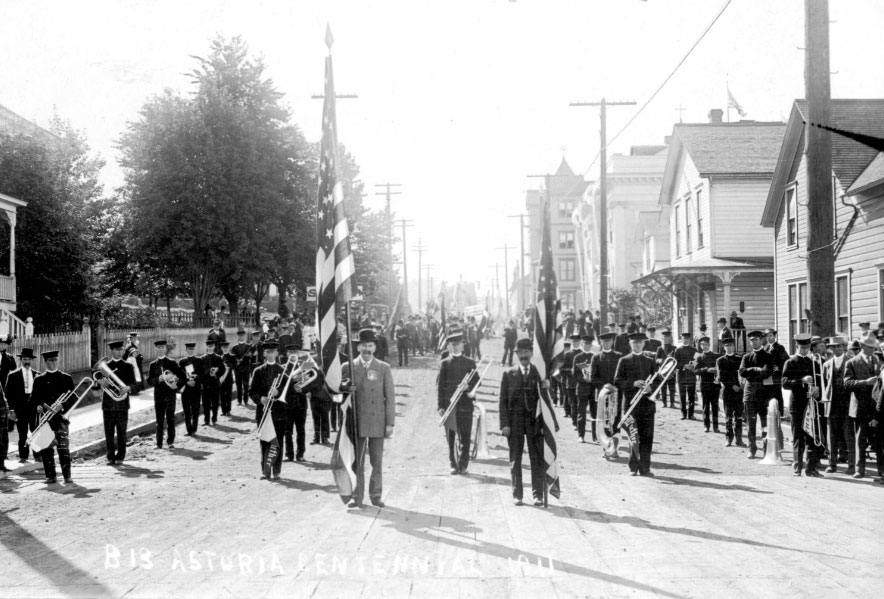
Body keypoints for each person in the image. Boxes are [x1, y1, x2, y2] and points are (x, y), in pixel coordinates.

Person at [341, 328, 396, 508]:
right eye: (363, 345)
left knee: (376, 462)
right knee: (357, 462)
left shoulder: (383, 368)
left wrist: (389, 423)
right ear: (358, 347)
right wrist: (344, 389)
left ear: (374, 348)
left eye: (370, 346)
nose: (367, 349)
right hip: (356, 422)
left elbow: (390, 397)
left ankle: (376, 495)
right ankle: (357, 496)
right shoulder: (347, 367)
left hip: (377, 422)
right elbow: (335, 397)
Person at [499, 338, 546, 506]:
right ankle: (517, 494)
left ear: (531, 353)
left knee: (537, 459)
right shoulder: (508, 374)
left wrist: (548, 387)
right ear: (517, 354)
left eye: (526, 352)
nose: (524, 355)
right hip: (515, 423)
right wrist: (504, 424)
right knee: (515, 459)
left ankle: (537, 495)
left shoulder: (540, 373)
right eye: (520, 352)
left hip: (535, 423)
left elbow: (549, 401)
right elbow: (502, 401)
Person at [29, 350, 76, 483]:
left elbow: (73, 398)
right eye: (51, 360)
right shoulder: (39, 379)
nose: (54, 363)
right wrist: (37, 406)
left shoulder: (66, 378)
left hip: (61, 419)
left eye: (55, 360)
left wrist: (63, 405)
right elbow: (34, 399)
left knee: (63, 448)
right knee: (46, 449)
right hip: (45, 419)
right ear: (45, 362)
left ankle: (67, 476)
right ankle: (50, 476)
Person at [614, 333, 658, 476]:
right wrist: (633, 383)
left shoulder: (650, 361)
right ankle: (633, 467)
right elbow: (617, 381)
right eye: (634, 343)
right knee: (633, 437)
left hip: (647, 404)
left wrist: (651, 388)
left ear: (644, 344)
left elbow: (658, 380)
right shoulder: (624, 360)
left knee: (647, 436)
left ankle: (645, 467)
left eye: (640, 342)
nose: (637, 345)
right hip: (631, 405)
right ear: (630, 344)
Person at [437, 330, 479, 474]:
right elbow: (440, 387)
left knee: (465, 436)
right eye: (452, 345)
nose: (455, 347)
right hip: (450, 406)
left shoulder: (470, 362)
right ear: (449, 346)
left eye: (457, 344)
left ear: (463, 345)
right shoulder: (444, 363)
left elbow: (478, 381)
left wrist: (469, 386)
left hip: (465, 405)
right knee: (451, 436)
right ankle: (453, 464)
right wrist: (440, 406)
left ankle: (463, 464)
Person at [782, 334, 822, 477]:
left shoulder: (814, 363)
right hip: (797, 404)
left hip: (811, 404)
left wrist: (818, 389)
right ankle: (797, 467)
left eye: (807, 347)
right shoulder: (791, 362)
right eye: (802, 347)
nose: (804, 350)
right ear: (797, 346)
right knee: (798, 436)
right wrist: (801, 380)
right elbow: (785, 383)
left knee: (812, 436)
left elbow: (820, 382)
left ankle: (811, 468)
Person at [844, 336, 882, 480]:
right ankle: (860, 469)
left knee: (878, 441)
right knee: (861, 439)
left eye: (874, 348)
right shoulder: (852, 362)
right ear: (862, 346)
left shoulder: (877, 360)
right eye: (869, 347)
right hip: (860, 406)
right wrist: (865, 382)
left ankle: (881, 470)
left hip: (876, 406)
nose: (872, 350)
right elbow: (847, 383)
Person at [250, 341, 286, 479]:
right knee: (265, 441)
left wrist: (279, 391)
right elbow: (251, 391)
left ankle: (276, 471)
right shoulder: (258, 371)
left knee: (278, 441)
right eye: (268, 352)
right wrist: (260, 399)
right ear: (264, 354)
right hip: (263, 411)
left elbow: (288, 391)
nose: (270, 354)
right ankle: (266, 471)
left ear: (277, 353)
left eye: (273, 352)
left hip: (279, 411)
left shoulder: (283, 370)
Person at [738, 330, 773, 459]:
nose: (754, 342)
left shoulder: (767, 356)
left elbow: (767, 373)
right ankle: (752, 449)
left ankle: (766, 450)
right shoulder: (746, 357)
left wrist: (751, 372)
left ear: (761, 340)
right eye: (751, 340)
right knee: (750, 424)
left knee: (765, 424)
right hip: (749, 395)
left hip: (764, 395)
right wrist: (756, 369)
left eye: (756, 340)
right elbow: (742, 372)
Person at [101, 341, 136, 465]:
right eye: (116, 350)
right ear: (112, 351)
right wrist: (101, 384)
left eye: (121, 350)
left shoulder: (128, 366)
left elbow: (135, 384)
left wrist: (128, 388)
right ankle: (110, 457)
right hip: (108, 405)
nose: (119, 352)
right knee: (109, 432)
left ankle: (121, 456)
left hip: (122, 404)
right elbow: (95, 385)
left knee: (122, 432)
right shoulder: (104, 366)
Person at [147, 340, 185, 449]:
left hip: (170, 395)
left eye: (162, 347)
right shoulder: (152, 364)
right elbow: (149, 381)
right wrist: (159, 379)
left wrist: (176, 386)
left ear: (165, 349)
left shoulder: (172, 363)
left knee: (170, 419)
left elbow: (183, 377)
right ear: (156, 349)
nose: (161, 349)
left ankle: (170, 441)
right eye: (158, 347)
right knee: (159, 420)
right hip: (158, 395)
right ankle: (159, 443)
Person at [823, 336, 852, 474]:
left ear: (844, 347)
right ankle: (832, 464)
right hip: (832, 405)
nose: (836, 349)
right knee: (832, 437)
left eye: (839, 346)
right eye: (833, 347)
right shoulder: (827, 364)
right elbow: (824, 385)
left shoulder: (851, 362)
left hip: (847, 404)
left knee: (848, 436)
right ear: (831, 349)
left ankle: (852, 465)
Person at [5, 347, 39, 462]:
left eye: (29, 359)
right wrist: (12, 410)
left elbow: (41, 393)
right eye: (24, 359)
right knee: (22, 433)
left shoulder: (37, 375)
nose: (27, 362)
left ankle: (37, 455)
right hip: (20, 408)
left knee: (35, 432)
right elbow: (8, 394)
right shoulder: (13, 375)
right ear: (21, 360)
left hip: (34, 407)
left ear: (32, 360)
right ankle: (23, 456)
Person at [589, 331, 623, 444]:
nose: (606, 343)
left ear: (612, 342)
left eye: (608, 341)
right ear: (601, 343)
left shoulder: (619, 356)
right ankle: (605, 441)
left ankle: (615, 441)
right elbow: (592, 377)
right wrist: (604, 385)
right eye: (604, 342)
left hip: (616, 392)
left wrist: (616, 386)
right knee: (603, 418)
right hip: (602, 394)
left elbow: (622, 374)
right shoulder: (596, 357)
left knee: (616, 417)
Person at [717, 336, 744, 447]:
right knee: (728, 417)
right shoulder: (720, 360)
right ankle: (729, 438)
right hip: (728, 392)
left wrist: (741, 386)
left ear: (734, 346)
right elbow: (721, 376)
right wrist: (732, 386)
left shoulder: (740, 359)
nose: (729, 348)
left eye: (731, 346)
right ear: (724, 347)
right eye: (727, 346)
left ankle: (739, 439)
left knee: (739, 416)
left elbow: (743, 374)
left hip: (739, 392)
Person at [694, 337, 720, 433]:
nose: (704, 347)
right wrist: (706, 369)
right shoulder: (699, 357)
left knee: (715, 406)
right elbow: (696, 371)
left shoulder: (716, 356)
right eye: (702, 345)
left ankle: (716, 426)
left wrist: (716, 371)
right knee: (705, 406)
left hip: (715, 385)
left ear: (709, 345)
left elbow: (720, 368)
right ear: (700, 346)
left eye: (706, 345)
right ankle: (706, 426)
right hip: (704, 385)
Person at [573, 335, 596, 443]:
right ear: (582, 344)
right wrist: (584, 379)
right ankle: (581, 435)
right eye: (586, 344)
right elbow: (575, 375)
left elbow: (597, 373)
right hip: (582, 389)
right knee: (581, 413)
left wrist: (592, 379)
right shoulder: (578, 357)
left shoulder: (594, 356)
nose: (588, 346)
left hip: (592, 389)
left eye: (589, 344)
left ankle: (595, 437)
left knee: (594, 413)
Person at [178, 343, 203, 436]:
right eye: (189, 349)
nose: (190, 351)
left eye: (192, 349)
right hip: (186, 389)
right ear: (186, 350)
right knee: (186, 410)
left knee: (196, 409)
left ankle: (194, 428)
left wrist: (195, 380)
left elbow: (202, 374)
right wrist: (186, 382)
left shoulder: (199, 360)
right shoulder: (182, 362)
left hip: (196, 388)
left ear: (194, 350)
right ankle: (189, 429)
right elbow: (179, 376)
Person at [764, 329, 790, 417]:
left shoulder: (779, 347)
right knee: (769, 393)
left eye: (771, 336)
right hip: (768, 375)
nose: (769, 338)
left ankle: (780, 413)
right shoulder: (765, 348)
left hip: (776, 375)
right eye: (767, 336)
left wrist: (779, 367)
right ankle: (771, 413)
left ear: (774, 336)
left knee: (777, 393)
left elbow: (787, 360)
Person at [201, 339, 226, 425]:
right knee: (206, 404)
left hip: (215, 383)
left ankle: (214, 419)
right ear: (206, 347)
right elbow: (200, 371)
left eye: (212, 346)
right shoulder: (203, 358)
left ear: (214, 347)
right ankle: (206, 420)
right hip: (206, 384)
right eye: (209, 346)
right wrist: (208, 373)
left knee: (215, 403)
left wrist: (216, 373)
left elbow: (223, 369)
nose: (210, 348)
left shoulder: (218, 358)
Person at [673, 333, 698, 420]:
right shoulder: (678, 350)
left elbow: (697, 361)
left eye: (687, 339)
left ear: (689, 339)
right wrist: (684, 366)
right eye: (684, 338)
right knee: (682, 395)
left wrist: (693, 366)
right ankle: (683, 413)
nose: (686, 340)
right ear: (682, 339)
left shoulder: (694, 350)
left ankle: (691, 414)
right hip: (682, 376)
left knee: (691, 396)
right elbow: (675, 364)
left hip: (691, 376)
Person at [560, 334, 581, 420]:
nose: (575, 343)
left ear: (580, 342)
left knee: (581, 404)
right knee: (573, 403)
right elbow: (562, 370)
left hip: (581, 383)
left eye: (577, 342)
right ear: (572, 343)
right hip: (571, 382)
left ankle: (579, 421)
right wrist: (571, 370)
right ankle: (574, 422)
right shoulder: (567, 354)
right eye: (573, 342)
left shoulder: (582, 353)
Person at [231, 328, 253, 406]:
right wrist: (237, 360)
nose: (241, 337)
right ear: (238, 337)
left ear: (244, 336)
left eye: (242, 336)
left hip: (246, 369)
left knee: (246, 385)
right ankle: (239, 400)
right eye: (240, 336)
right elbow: (232, 358)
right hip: (238, 370)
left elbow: (251, 357)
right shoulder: (234, 347)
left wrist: (249, 356)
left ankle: (246, 400)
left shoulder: (248, 347)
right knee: (238, 385)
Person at [655, 331, 677, 408]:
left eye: (667, 338)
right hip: (662, 371)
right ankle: (664, 403)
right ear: (662, 338)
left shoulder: (674, 348)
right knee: (663, 388)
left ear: (669, 338)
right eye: (664, 338)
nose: (665, 339)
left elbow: (675, 360)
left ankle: (672, 403)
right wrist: (662, 360)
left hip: (671, 371)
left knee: (672, 389)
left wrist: (673, 371)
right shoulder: (659, 348)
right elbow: (656, 359)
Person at [219, 341, 236, 416]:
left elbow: (235, 366)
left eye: (226, 347)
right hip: (222, 379)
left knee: (228, 395)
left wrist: (228, 365)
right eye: (223, 348)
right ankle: (223, 411)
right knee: (222, 395)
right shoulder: (220, 357)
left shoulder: (232, 356)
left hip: (229, 378)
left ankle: (228, 410)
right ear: (221, 348)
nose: (225, 349)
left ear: (228, 348)